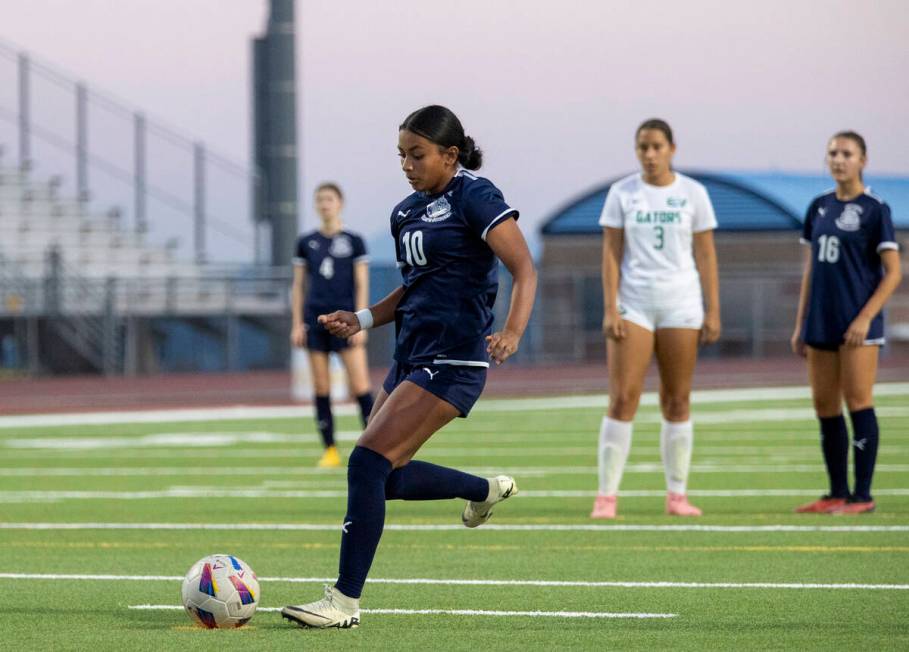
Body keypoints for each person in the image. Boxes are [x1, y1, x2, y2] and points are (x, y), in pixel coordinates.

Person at [282, 105, 537, 629]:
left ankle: (343, 602)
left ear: (450, 153)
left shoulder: (475, 194)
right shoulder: (405, 212)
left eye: (417, 154)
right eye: (401, 154)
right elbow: (414, 289)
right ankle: (482, 490)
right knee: (385, 478)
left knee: (366, 465)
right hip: (410, 354)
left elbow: (524, 268)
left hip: (453, 358)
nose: (407, 164)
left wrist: (511, 332)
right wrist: (360, 318)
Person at [591, 118, 721, 519]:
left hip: (681, 304)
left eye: (657, 147)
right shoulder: (622, 193)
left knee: (677, 399)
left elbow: (706, 255)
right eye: (643, 147)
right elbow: (611, 253)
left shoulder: (693, 194)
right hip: (635, 304)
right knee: (624, 397)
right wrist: (611, 307)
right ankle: (606, 496)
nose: (649, 155)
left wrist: (713, 310)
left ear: (672, 149)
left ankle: (677, 495)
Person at [791, 131, 902, 515]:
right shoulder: (818, 207)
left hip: (857, 323)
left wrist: (866, 317)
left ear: (862, 160)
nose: (839, 159)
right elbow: (810, 271)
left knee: (858, 402)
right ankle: (836, 492)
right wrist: (800, 322)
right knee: (825, 406)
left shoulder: (875, 209)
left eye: (847, 153)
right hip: (821, 320)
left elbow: (892, 273)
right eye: (833, 153)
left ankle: (862, 496)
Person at [291, 183, 375, 468]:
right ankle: (329, 449)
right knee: (321, 386)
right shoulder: (306, 242)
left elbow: (362, 282)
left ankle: (377, 446)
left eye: (329, 199)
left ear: (340, 203)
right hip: (316, 320)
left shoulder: (354, 241)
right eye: (320, 200)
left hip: (346, 321)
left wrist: (361, 322)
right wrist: (297, 323)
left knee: (361, 385)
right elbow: (299, 286)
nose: (324, 204)